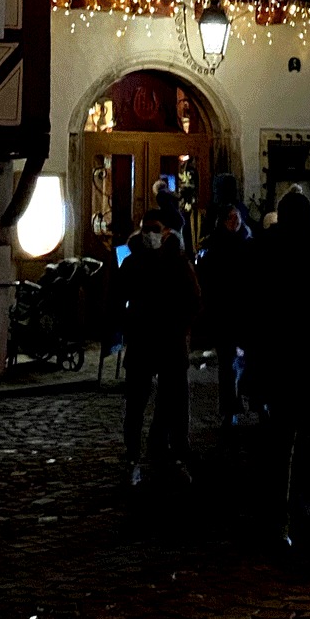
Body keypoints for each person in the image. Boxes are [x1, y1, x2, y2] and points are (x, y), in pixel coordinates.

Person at [250, 190, 310, 547]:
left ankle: (278, 520)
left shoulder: (265, 246)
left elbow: (255, 304)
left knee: (281, 443)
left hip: (279, 358)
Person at [118, 210, 200, 484]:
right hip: (144, 341)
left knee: (172, 400)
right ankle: (134, 454)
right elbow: (117, 300)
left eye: (155, 229)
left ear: (166, 232)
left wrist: (181, 326)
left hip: (169, 340)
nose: (150, 234)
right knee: (137, 402)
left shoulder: (177, 263)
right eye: (146, 229)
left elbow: (193, 299)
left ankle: (167, 448)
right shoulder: (132, 263)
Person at [196, 203, 254, 425]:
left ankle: (252, 401)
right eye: (230, 217)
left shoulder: (248, 243)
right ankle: (229, 407)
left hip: (245, 313)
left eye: (236, 217)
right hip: (224, 313)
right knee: (227, 364)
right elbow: (208, 282)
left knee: (249, 360)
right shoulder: (215, 247)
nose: (234, 221)